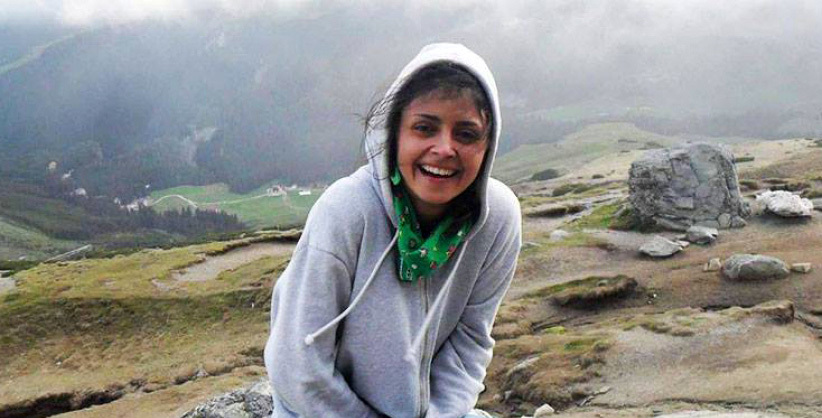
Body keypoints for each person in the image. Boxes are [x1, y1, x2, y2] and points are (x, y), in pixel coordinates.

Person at [264, 43, 521, 418]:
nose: (444, 148)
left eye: (466, 134)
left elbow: (470, 340)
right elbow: (297, 367)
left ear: (488, 145)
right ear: (393, 132)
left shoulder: (497, 219)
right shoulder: (347, 211)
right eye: (424, 128)